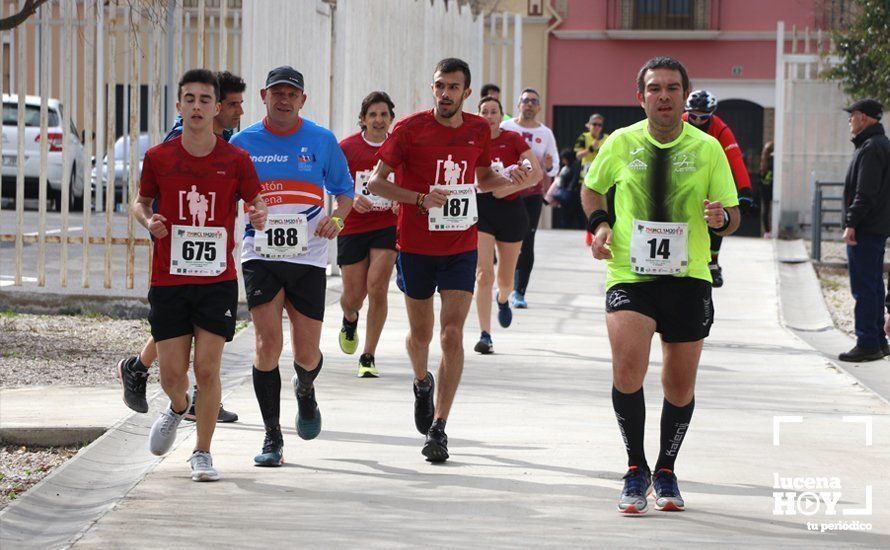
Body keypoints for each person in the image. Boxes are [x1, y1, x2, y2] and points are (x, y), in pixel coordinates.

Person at [581, 56, 739, 513]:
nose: (663, 96)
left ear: (683, 97)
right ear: (641, 96)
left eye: (672, 88)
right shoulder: (620, 141)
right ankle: (635, 469)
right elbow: (592, 188)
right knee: (628, 369)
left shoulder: (707, 148)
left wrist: (722, 218)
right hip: (630, 274)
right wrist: (600, 224)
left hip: (688, 277)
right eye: (655, 88)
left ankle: (666, 470)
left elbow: (733, 214)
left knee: (679, 384)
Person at [367, 58, 532, 463]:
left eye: (453, 87)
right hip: (416, 247)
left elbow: (483, 179)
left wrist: (510, 178)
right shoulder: (408, 128)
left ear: (467, 93)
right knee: (420, 336)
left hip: (460, 245)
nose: (445, 93)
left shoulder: (478, 129)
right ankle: (422, 382)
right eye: (440, 85)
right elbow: (376, 182)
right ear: (433, 87)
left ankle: (439, 427)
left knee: (452, 335)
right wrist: (420, 199)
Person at [132, 69, 267, 481]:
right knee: (174, 376)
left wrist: (259, 215)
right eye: (189, 99)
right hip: (169, 279)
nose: (196, 106)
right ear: (179, 106)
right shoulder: (159, 157)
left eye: (204, 100)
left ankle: (202, 452)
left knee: (207, 369)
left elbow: (256, 203)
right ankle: (177, 407)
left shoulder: (237, 160)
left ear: (216, 108)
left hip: (216, 280)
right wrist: (147, 220)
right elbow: (140, 201)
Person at [230, 66, 354, 466]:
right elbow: (226, 191)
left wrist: (336, 220)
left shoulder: (321, 139)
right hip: (260, 254)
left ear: (303, 99)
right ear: (264, 95)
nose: (284, 100)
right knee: (267, 346)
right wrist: (250, 207)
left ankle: (305, 388)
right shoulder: (243, 141)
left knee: (306, 352)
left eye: (292, 94)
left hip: (309, 256)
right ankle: (272, 437)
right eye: (277, 93)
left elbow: (344, 193)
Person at [117, 71, 247, 423]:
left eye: (238, 104)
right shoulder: (180, 137)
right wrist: (153, 222)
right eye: (233, 104)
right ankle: (153, 377)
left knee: (201, 341)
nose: (239, 112)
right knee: (179, 333)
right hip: (173, 239)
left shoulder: (228, 142)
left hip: (208, 248)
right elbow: (146, 196)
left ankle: (148, 372)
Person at [474, 95, 542, 354]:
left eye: (494, 112)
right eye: (484, 111)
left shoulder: (512, 139)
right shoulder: (472, 142)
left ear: (501, 116)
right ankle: (485, 334)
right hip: (482, 210)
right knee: (484, 275)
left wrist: (511, 187)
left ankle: (503, 300)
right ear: (479, 115)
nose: (489, 116)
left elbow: (535, 174)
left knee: (505, 281)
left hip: (512, 211)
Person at [337, 91, 398, 377]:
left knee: (378, 287)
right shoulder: (347, 147)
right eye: (372, 114)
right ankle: (350, 319)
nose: (378, 119)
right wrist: (351, 198)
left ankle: (368, 355)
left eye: (383, 114)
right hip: (353, 227)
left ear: (391, 119)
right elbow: (333, 182)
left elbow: (412, 177)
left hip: (387, 225)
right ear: (363, 119)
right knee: (354, 296)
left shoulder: (399, 148)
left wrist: (402, 199)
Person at [682, 90, 754, 287]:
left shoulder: (720, 129)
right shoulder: (679, 121)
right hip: (684, 174)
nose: (697, 121)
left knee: (717, 214)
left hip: (711, 175)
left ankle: (713, 262)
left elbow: (735, 158)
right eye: (692, 116)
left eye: (703, 117)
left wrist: (745, 190)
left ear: (711, 114)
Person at [838, 98, 890, 362]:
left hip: (865, 228)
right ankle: (879, 340)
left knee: (864, 287)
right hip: (876, 227)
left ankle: (867, 341)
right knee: (874, 285)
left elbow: (865, 193)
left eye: (853, 114)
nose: (850, 119)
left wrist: (851, 223)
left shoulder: (870, 148)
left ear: (866, 117)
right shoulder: (878, 144)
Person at [500, 88, 559, 309]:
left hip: (532, 194)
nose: (529, 104)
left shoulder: (545, 133)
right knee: (505, 240)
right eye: (525, 100)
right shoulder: (507, 127)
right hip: (506, 191)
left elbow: (554, 170)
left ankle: (519, 291)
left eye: (534, 101)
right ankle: (504, 282)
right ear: (518, 105)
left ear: (539, 107)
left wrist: (550, 164)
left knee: (527, 240)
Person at [759, 140, 774, 237]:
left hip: (764, 188)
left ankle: (767, 232)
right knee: (769, 209)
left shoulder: (764, 160)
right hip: (771, 188)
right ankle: (770, 231)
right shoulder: (773, 160)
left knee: (766, 210)